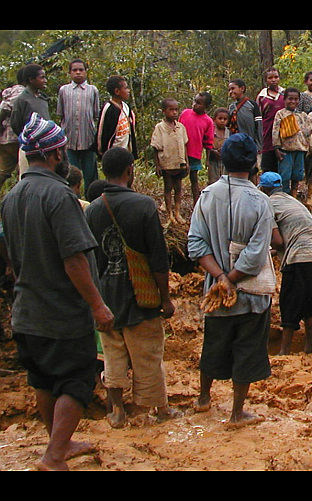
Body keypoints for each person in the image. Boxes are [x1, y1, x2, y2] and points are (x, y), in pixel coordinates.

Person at [1, 113, 114, 470]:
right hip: (61, 312)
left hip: (26, 309)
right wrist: (98, 306)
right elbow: (74, 259)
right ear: (54, 155)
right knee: (77, 380)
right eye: (62, 150)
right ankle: (53, 456)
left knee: (44, 378)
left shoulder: (12, 197)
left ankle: (58, 443)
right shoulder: (59, 195)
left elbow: (13, 257)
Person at [85, 147, 179, 429]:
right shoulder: (144, 205)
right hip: (142, 296)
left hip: (106, 295)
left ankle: (117, 412)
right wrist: (165, 299)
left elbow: (91, 258)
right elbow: (158, 259)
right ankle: (159, 410)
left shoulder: (93, 210)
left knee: (112, 355)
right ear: (130, 171)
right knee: (148, 353)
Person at [187, 133, 275, 429]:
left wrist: (220, 278)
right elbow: (255, 254)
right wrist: (232, 279)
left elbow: (196, 244)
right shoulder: (260, 200)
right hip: (250, 295)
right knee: (247, 350)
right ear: (254, 164)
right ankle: (237, 413)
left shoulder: (206, 196)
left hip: (215, 291)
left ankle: (203, 399)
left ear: (223, 161)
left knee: (213, 343)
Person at [258, 171, 312, 355]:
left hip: (299, 258)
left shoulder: (268, 204)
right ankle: (309, 348)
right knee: (310, 304)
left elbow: (278, 241)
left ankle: (284, 351)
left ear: (264, 189)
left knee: (290, 303)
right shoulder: (293, 202)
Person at [272, 87, 312, 198]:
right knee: (285, 175)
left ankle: (293, 196)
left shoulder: (303, 116)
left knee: (297, 175)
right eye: (290, 99)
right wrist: (276, 148)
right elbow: (275, 132)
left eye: (295, 99)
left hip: (300, 150)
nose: (293, 101)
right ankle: (283, 197)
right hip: (285, 150)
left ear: (299, 101)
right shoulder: (281, 114)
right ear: (284, 100)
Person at [56, 59, 100, 197]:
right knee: (70, 174)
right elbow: (61, 114)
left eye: (81, 69)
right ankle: (71, 200)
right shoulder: (64, 90)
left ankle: (92, 202)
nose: (78, 72)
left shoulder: (93, 90)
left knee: (90, 175)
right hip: (69, 141)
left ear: (86, 72)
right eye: (74, 70)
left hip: (88, 140)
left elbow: (95, 114)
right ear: (69, 73)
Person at [150, 98, 189, 225]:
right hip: (167, 163)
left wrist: (187, 162)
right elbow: (155, 148)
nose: (174, 112)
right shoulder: (160, 128)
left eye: (176, 110)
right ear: (164, 111)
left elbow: (185, 145)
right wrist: (157, 165)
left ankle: (177, 212)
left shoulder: (181, 127)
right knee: (168, 188)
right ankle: (169, 214)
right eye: (171, 110)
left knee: (178, 188)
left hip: (179, 163)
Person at [10, 64, 51, 178]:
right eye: (41, 77)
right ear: (31, 80)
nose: (45, 80)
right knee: (28, 178)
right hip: (28, 148)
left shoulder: (42, 99)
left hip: (45, 148)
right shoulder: (22, 100)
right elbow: (16, 124)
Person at [179, 92, 215, 205]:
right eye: (195, 101)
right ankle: (173, 203)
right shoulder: (185, 113)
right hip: (180, 152)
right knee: (176, 177)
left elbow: (208, 142)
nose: (195, 105)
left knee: (194, 179)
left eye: (199, 103)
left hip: (194, 153)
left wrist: (208, 160)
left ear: (206, 106)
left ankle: (197, 203)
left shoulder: (208, 121)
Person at [97, 75, 137, 160]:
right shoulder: (108, 109)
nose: (128, 91)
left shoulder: (126, 107)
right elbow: (101, 132)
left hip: (126, 152)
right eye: (125, 88)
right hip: (113, 154)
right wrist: (102, 153)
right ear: (117, 91)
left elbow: (131, 130)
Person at [256, 68, 285, 174]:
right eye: (270, 78)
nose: (273, 80)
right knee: (267, 167)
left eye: (276, 77)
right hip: (267, 134)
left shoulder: (284, 94)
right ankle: (266, 189)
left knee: (282, 166)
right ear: (266, 80)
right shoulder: (262, 97)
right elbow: (259, 116)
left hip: (283, 136)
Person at [0, 69, 25, 189]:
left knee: (4, 171)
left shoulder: (13, 90)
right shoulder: (21, 91)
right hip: (14, 138)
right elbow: (6, 107)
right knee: (24, 170)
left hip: (5, 139)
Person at [226, 79, 262, 154]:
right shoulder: (231, 107)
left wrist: (259, 145)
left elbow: (259, 126)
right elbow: (229, 127)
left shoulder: (252, 105)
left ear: (242, 88)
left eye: (233, 88)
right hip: (235, 145)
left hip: (250, 144)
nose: (230, 92)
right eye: (229, 90)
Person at [208, 107, 230, 185]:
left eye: (225, 119)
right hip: (213, 160)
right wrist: (213, 151)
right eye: (220, 118)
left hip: (225, 161)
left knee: (225, 181)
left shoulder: (229, 132)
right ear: (214, 119)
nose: (222, 121)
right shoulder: (211, 131)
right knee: (213, 181)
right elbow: (207, 144)